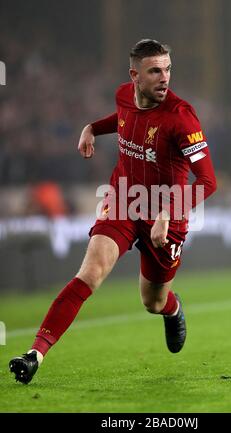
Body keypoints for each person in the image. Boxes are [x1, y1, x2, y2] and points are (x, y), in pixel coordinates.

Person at [9, 39, 217, 384]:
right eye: (155, 71)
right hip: (123, 201)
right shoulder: (123, 95)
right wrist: (92, 128)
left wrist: (167, 212)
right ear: (134, 75)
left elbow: (208, 180)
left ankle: (173, 309)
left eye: (167, 69)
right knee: (89, 273)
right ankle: (35, 354)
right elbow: (121, 117)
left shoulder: (182, 117)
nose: (164, 77)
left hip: (167, 215)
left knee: (152, 301)